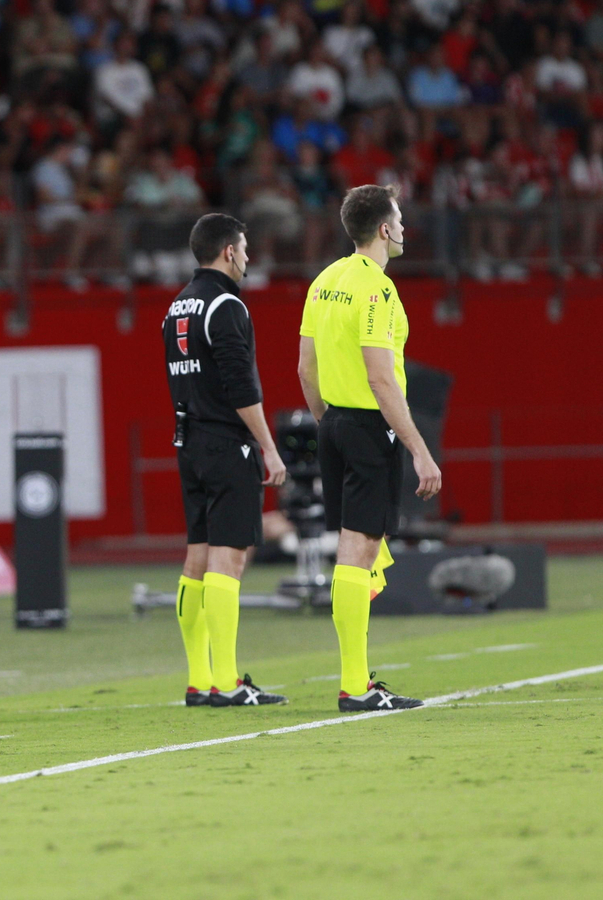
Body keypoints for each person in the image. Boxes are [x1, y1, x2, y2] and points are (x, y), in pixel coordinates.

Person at [297, 184, 441, 711]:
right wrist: (420, 449)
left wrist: (326, 424)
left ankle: (356, 681)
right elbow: (382, 381)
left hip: (333, 424)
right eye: (399, 218)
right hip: (365, 426)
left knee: (350, 551)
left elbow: (304, 368)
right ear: (384, 229)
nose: (403, 227)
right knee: (359, 552)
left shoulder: (324, 280)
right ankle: (356, 686)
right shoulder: (377, 290)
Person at [163, 214, 290, 709]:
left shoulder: (177, 307)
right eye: (244, 248)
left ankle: (199, 679)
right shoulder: (225, 305)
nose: (249, 257)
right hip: (224, 443)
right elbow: (241, 386)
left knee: (197, 554)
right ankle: (226, 680)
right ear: (228, 252)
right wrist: (268, 446)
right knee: (229, 557)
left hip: (188, 441)